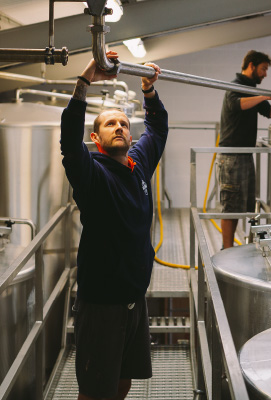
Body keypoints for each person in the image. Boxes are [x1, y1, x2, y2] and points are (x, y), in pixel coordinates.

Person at [60, 51, 168, 400]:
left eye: (123, 123)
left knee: (123, 383)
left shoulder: (138, 163)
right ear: (96, 139)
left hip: (135, 298)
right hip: (102, 304)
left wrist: (149, 91)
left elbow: (158, 127)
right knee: (95, 391)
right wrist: (85, 81)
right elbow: (69, 141)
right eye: (110, 124)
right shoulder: (91, 174)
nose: (120, 127)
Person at [218, 50, 271, 249]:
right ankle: (226, 250)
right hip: (232, 156)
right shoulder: (234, 86)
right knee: (230, 207)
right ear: (251, 65)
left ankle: (235, 249)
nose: (265, 74)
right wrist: (263, 95)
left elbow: (269, 112)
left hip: (245, 155)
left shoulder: (252, 89)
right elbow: (238, 105)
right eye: (263, 69)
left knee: (241, 206)